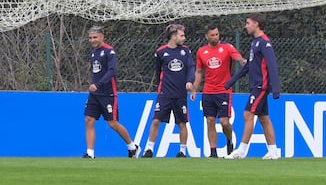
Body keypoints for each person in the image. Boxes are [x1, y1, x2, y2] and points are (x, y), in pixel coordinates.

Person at [224, 12, 280, 160]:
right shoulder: (254, 43)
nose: (246, 26)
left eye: (248, 23)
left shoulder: (264, 42)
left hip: (261, 86)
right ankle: (274, 152)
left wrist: (275, 88)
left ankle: (241, 151)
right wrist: (231, 82)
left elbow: (272, 65)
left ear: (256, 23)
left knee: (248, 114)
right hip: (256, 85)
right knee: (263, 118)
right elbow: (248, 66)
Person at [83, 26, 140, 159]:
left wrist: (98, 84)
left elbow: (112, 71)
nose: (92, 40)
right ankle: (90, 153)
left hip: (108, 93)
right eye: (90, 38)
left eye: (95, 37)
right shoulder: (93, 53)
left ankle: (132, 147)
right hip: (94, 94)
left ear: (102, 36)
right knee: (89, 120)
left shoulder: (109, 52)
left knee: (112, 123)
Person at [190, 24, 247, 158]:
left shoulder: (227, 48)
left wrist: (242, 61)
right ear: (207, 36)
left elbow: (237, 56)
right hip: (208, 92)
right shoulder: (201, 52)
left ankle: (229, 140)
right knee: (210, 120)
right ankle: (213, 152)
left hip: (223, 91)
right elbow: (199, 72)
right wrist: (194, 89)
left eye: (217, 34)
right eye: (212, 35)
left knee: (224, 122)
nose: (215, 37)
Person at [142, 24, 195, 158]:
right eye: (181, 35)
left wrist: (189, 81)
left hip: (180, 94)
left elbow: (190, 68)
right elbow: (158, 71)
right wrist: (160, 87)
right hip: (165, 93)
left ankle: (182, 151)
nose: (184, 38)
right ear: (173, 36)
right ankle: (149, 149)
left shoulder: (186, 51)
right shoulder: (160, 52)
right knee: (156, 121)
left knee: (182, 123)